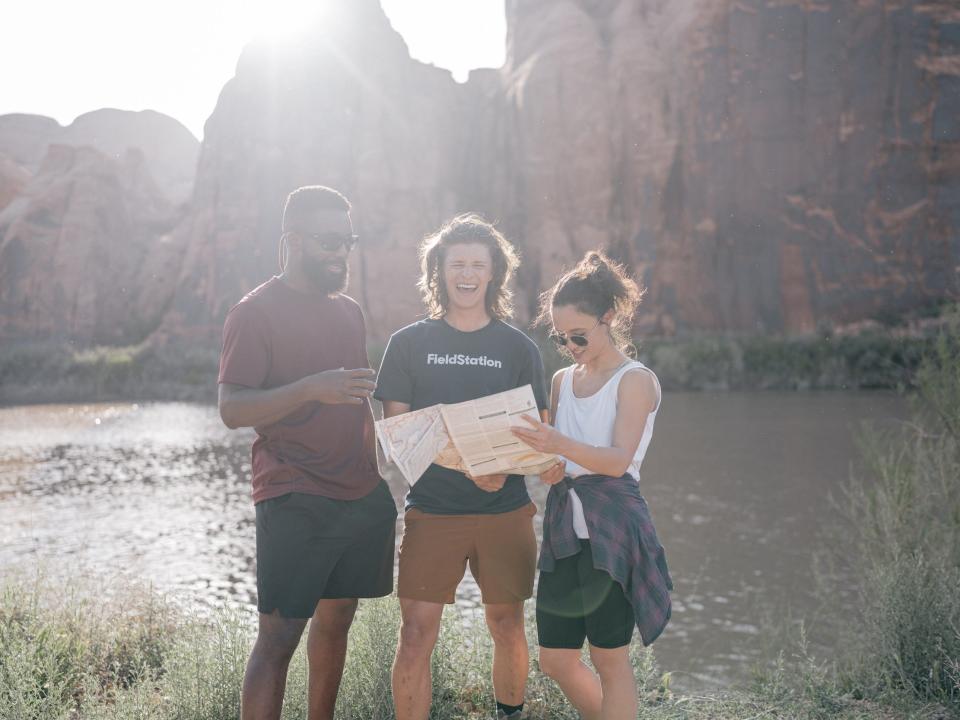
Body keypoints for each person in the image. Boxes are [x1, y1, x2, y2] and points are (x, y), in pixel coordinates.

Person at [217, 185, 398, 720]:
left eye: (347, 241)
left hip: (360, 491)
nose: (340, 253)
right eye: (327, 241)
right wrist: (309, 388)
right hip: (293, 491)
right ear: (291, 240)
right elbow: (231, 409)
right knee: (278, 636)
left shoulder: (349, 312)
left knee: (338, 618)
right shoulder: (252, 314)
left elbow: (355, 397)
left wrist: (382, 457)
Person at [374, 214, 551, 720]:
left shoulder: (519, 348)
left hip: (506, 511)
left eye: (478, 264)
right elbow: (399, 437)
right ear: (439, 271)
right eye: (457, 264)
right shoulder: (408, 344)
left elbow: (537, 432)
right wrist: (471, 466)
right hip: (433, 512)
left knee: (507, 626)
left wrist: (514, 466)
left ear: (495, 272)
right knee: (414, 634)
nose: (467, 274)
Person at [510, 250, 672, 720]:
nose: (572, 347)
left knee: (609, 658)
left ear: (609, 318)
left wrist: (559, 443)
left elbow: (618, 462)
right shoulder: (562, 380)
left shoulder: (635, 381)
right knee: (555, 658)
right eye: (562, 339)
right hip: (565, 530)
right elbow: (560, 460)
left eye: (579, 336)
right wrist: (549, 467)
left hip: (614, 526)